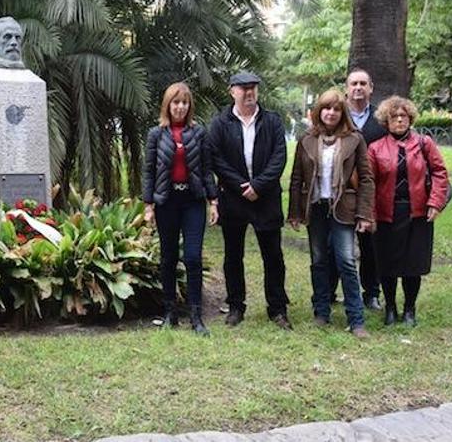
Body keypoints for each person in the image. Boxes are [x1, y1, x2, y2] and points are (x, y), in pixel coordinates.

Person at [207, 71, 291, 330]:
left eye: (253, 87)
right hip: (234, 198)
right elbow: (216, 158)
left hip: (266, 199)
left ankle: (277, 309)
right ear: (232, 91)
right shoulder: (221, 123)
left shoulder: (272, 121)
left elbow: (279, 157)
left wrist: (258, 185)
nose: (249, 92)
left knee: (273, 255)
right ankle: (235, 306)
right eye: (243, 88)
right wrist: (240, 185)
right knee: (233, 256)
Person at [287, 90, 375, 338]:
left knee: (346, 261)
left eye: (336, 109)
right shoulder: (307, 139)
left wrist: (364, 214)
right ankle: (321, 312)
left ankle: (356, 319)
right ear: (318, 112)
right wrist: (294, 212)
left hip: (343, 209)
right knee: (318, 261)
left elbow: (366, 179)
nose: (331, 113)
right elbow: (296, 179)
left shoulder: (354, 139)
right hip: (315, 208)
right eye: (326, 108)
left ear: (342, 113)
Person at [142, 82, 219, 335]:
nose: (180, 107)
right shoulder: (156, 134)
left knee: (193, 258)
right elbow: (149, 171)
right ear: (168, 105)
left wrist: (213, 201)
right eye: (176, 102)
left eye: (184, 102)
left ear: (189, 106)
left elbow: (207, 169)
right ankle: (169, 313)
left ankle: (196, 317)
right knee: (168, 258)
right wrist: (148, 205)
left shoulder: (199, 134)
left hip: (192, 202)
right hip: (167, 202)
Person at [367, 96, 448, 326]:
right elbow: (369, 183)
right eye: (394, 116)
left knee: (414, 264)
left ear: (410, 118)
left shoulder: (424, 144)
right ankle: (390, 308)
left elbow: (440, 172)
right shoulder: (375, 148)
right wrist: (370, 213)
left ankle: (409, 309)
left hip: (418, 213)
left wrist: (435, 202)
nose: (400, 120)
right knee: (387, 264)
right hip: (386, 214)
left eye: (403, 116)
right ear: (386, 121)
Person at [329, 69, 388, 309]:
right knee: (334, 243)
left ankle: (371, 292)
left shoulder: (381, 120)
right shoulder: (336, 116)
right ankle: (329, 290)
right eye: (354, 83)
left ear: (371, 88)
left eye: (363, 83)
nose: (358, 88)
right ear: (346, 88)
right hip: (339, 192)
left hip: (370, 191)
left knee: (370, 245)